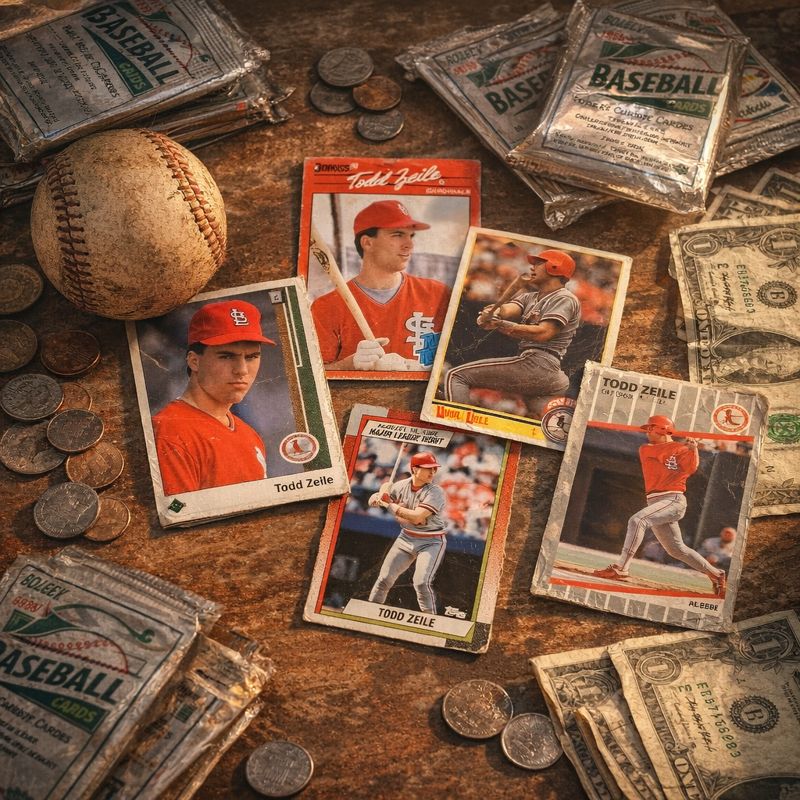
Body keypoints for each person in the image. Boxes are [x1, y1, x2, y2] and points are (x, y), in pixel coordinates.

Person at [593, 415, 728, 597]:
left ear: (664, 429)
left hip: (673, 499)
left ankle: (621, 568)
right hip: (656, 501)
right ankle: (717, 574)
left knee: (637, 520)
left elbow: (690, 469)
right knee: (676, 550)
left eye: (652, 427)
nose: (647, 431)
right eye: (648, 428)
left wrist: (693, 449)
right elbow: (663, 453)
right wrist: (682, 448)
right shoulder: (646, 449)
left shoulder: (681, 449)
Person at [152, 299, 275, 495]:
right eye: (226, 356)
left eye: (251, 357)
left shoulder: (250, 435)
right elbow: (181, 517)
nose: (242, 370)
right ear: (194, 361)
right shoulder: (169, 432)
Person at [311, 200, 450, 371]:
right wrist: (350, 364)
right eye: (398, 234)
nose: (410, 244)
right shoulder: (326, 306)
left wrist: (424, 371)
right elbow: (313, 376)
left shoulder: (437, 294)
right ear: (367, 243)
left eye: (411, 236)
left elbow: (459, 362)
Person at [443, 249, 581, 416]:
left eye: (538, 263)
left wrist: (500, 324)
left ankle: (454, 423)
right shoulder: (530, 297)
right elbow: (507, 309)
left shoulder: (564, 298)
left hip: (539, 363)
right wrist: (493, 313)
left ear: (554, 267)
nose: (532, 268)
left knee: (456, 376)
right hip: (544, 374)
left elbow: (544, 333)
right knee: (542, 423)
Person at [367, 452, 447, 614]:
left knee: (421, 583)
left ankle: (430, 619)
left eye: (434, 469)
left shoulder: (435, 491)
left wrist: (390, 505)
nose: (432, 472)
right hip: (406, 537)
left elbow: (417, 518)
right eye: (427, 469)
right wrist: (377, 497)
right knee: (384, 579)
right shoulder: (401, 485)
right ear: (414, 469)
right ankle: (369, 612)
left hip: (431, 541)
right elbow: (376, 499)